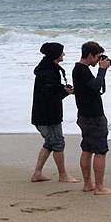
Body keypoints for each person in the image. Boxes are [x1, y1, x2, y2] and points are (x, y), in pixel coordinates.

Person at [30, 42, 79, 183]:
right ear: (55, 54)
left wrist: (64, 90)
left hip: (41, 115)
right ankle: (63, 175)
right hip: (48, 116)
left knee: (50, 143)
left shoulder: (46, 69)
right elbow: (50, 96)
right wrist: (65, 92)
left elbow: (51, 91)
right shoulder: (49, 72)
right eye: (62, 52)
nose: (64, 54)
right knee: (58, 143)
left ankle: (37, 173)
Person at [72, 41, 111, 195]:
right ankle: (99, 187)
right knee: (100, 151)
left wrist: (101, 71)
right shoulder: (83, 71)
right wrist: (102, 71)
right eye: (97, 57)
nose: (98, 60)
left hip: (83, 115)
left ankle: (88, 184)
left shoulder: (77, 69)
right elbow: (96, 86)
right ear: (90, 55)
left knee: (87, 149)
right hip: (94, 116)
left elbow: (90, 87)